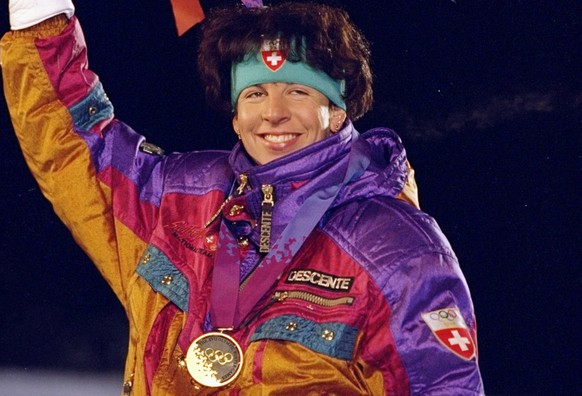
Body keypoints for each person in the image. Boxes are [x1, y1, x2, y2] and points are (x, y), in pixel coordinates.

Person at [2, 1, 484, 394]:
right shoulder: (179, 200)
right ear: (235, 117)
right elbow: (77, 144)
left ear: (336, 113)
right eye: (254, 95)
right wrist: (39, 16)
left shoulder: (397, 247)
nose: (273, 113)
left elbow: (443, 387)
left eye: (297, 92)